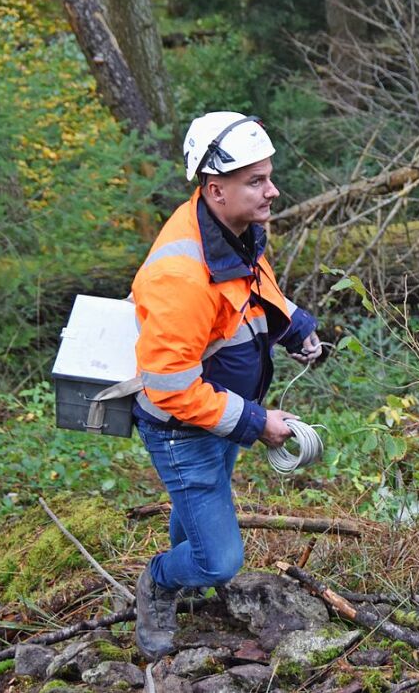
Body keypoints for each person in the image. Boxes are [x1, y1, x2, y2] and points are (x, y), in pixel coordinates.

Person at [130, 111, 323, 660]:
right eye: (256, 181)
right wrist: (258, 422)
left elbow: (253, 289)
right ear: (215, 188)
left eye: (268, 176)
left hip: (222, 410)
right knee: (221, 559)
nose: (272, 190)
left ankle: (183, 583)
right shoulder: (181, 275)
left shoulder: (233, 231)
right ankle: (160, 583)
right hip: (183, 426)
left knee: (194, 510)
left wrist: (294, 327)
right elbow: (168, 388)